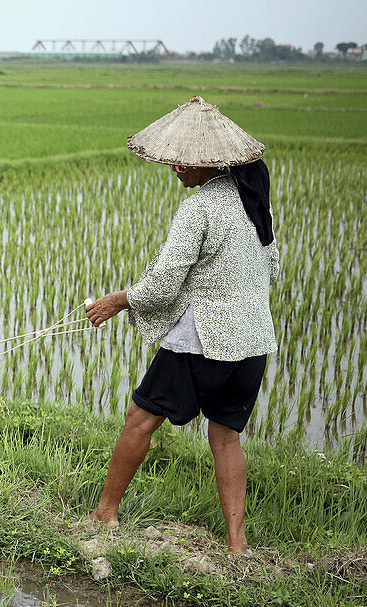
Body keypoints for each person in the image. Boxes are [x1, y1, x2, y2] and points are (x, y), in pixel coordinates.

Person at [84, 96, 278, 553]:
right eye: (173, 159)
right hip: (254, 342)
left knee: (139, 419)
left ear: (209, 162)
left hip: (205, 340)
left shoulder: (200, 209)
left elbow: (164, 284)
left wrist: (116, 301)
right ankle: (237, 542)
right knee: (225, 435)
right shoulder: (257, 206)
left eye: (183, 160)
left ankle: (105, 513)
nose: (175, 167)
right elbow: (271, 270)